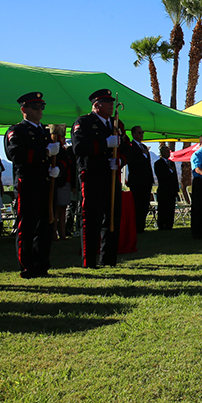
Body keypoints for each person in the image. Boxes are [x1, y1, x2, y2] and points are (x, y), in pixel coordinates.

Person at [5, 92, 59, 279]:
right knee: (27, 226)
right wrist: (44, 152)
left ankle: (42, 264)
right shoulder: (17, 131)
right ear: (24, 110)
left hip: (45, 182)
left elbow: (59, 155)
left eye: (41, 107)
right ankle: (27, 266)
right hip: (27, 183)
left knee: (45, 225)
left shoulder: (46, 132)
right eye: (35, 107)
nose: (39, 111)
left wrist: (57, 167)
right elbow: (16, 155)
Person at [72, 89, 127, 268]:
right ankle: (89, 261)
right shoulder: (84, 122)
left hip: (111, 175)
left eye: (112, 102)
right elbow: (79, 148)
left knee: (112, 218)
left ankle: (108, 259)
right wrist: (105, 144)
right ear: (96, 105)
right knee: (91, 218)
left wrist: (119, 160)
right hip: (92, 175)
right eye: (107, 102)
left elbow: (125, 147)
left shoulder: (116, 124)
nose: (111, 105)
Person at [125, 125, 154, 233]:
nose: (141, 134)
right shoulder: (131, 147)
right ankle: (136, 226)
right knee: (137, 204)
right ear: (133, 134)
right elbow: (133, 163)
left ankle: (141, 226)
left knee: (144, 204)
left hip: (146, 181)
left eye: (142, 132)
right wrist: (144, 156)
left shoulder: (144, 147)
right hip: (137, 181)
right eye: (139, 132)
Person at [50, 125, 74, 241]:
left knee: (63, 209)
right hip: (58, 181)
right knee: (56, 210)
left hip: (66, 182)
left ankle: (62, 233)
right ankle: (54, 232)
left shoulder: (65, 149)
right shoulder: (56, 148)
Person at [153, 145, 179, 230]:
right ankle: (161, 225)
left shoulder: (171, 163)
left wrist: (176, 189)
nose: (168, 153)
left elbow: (175, 177)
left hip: (171, 190)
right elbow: (161, 176)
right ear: (162, 153)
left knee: (171, 208)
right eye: (167, 151)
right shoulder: (158, 163)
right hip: (164, 190)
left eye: (169, 151)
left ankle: (169, 224)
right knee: (163, 208)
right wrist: (170, 171)